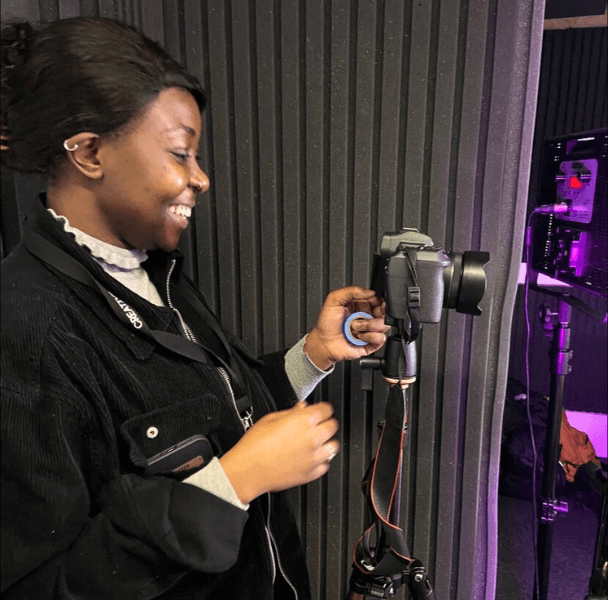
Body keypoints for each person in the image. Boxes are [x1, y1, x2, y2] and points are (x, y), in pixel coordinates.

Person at [0, 17, 389, 600]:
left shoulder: (155, 270)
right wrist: (232, 483)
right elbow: (45, 586)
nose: (201, 179)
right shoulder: (28, 327)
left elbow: (218, 415)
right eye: (180, 154)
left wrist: (314, 354)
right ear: (88, 152)